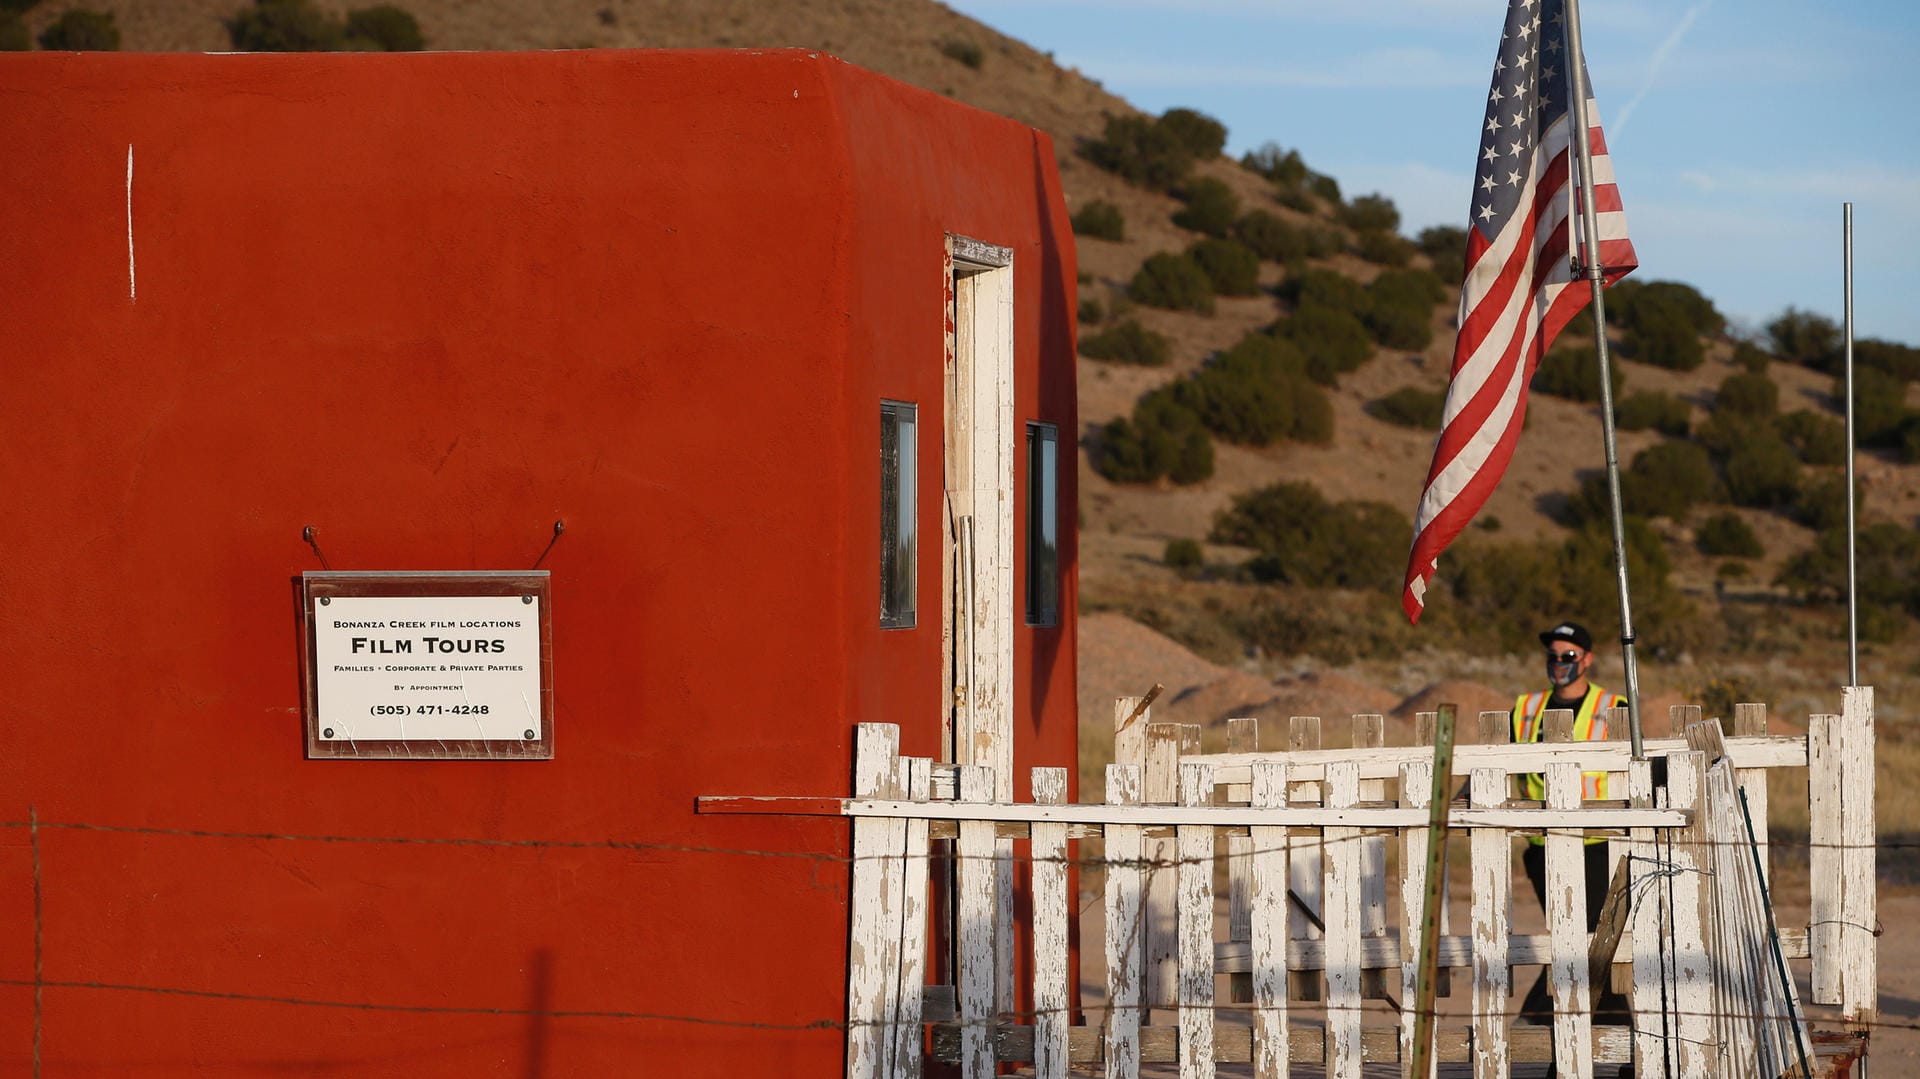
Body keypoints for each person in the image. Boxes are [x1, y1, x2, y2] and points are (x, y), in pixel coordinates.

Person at [1512, 620, 1629, 1025]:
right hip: (1544, 848)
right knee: (1578, 942)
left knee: (1587, 942)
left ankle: (1536, 1024)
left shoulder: (1614, 707)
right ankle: (1613, 1032)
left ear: (1588, 660)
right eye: (1553, 656)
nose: (1559, 663)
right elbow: (1497, 762)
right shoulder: (1525, 709)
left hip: (1599, 846)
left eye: (1568, 656)